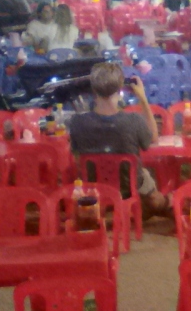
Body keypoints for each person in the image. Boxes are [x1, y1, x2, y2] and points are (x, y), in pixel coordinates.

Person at [68, 63, 168, 215]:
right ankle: (165, 204)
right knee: (146, 179)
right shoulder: (133, 120)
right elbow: (153, 138)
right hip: (130, 186)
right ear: (120, 87)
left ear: (93, 88)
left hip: (93, 187)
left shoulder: (77, 122)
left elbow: (75, 152)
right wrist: (143, 99)